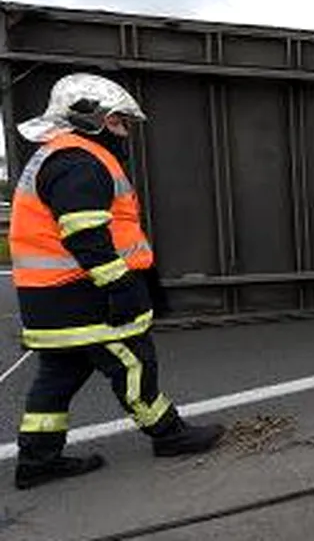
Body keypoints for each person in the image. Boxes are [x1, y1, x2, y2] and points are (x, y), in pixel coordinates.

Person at [8, 73, 225, 490]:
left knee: (58, 377)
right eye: (120, 122)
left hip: (50, 300)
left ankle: (38, 459)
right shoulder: (79, 161)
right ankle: (169, 434)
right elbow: (85, 235)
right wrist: (121, 286)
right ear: (93, 119)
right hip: (83, 296)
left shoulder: (55, 155)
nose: (125, 132)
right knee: (134, 362)